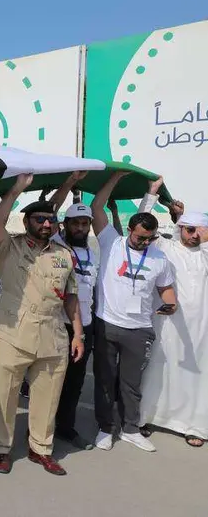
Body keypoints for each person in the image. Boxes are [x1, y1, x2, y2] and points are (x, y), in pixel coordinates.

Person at [0, 175, 84, 477]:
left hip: (53, 335)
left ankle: (40, 449)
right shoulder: (9, 247)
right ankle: (1, 449)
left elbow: (70, 296)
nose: (45, 224)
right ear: (26, 221)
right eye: (39, 219)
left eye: (50, 220)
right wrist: (17, 189)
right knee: (5, 396)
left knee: (48, 395)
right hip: (11, 333)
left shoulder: (64, 255)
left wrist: (77, 333)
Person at [90, 172, 177, 453]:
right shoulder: (110, 243)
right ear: (130, 230)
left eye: (149, 238)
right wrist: (115, 179)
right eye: (140, 237)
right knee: (105, 381)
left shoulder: (159, 258)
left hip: (139, 330)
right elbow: (96, 208)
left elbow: (166, 288)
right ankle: (105, 428)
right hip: (107, 325)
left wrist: (171, 301)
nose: (144, 243)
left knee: (131, 384)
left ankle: (130, 429)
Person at [135, 179, 208, 448]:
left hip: (199, 331)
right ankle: (147, 417)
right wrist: (151, 195)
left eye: (199, 230)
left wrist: (189, 222)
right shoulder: (165, 248)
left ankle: (194, 425)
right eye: (188, 230)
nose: (194, 235)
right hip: (167, 325)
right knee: (158, 370)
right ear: (179, 230)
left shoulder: (205, 254)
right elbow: (141, 224)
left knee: (196, 375)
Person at [43, 171, 99, 450]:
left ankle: (65, 427)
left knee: (75, 382)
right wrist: (70, 183)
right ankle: (41, 428)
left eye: (84, 222)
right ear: (64, 225)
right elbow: (49, 210)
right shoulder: (56, 244)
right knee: (50, 378)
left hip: (84, 326)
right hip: (56, 324)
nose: (80, 227)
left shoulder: (94, 250)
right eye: (75, 223)